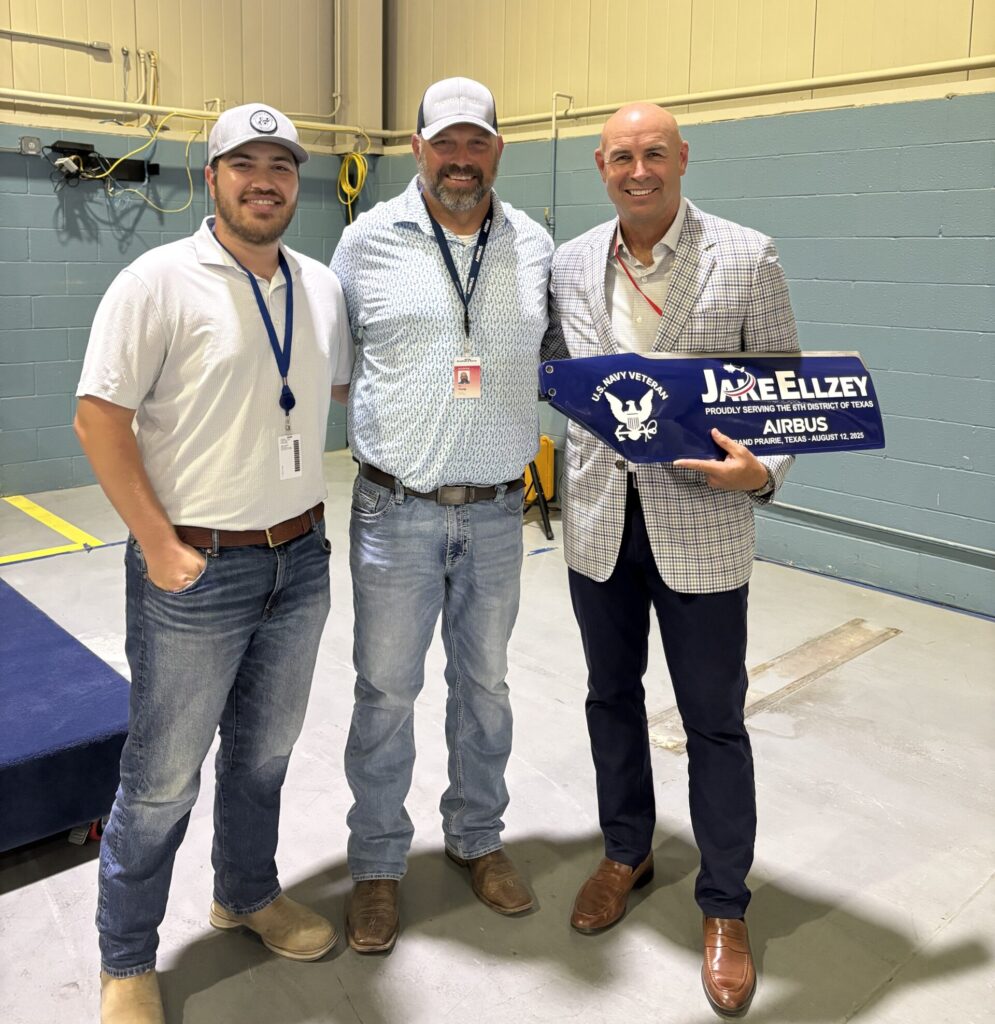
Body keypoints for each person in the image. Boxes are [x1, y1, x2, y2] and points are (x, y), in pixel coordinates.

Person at [74, 103, 353, 1023]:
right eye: (244, 162)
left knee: (264, 757)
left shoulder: (318, 285)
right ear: (212, 180)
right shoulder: (156, 279)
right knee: (160, 777)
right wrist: (159, 544)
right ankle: (126, 959)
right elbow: (98, 419)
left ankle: (245, 893)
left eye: (280, 162)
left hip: (299, 559)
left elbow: (323, 393)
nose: (264, 178)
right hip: (195, 569)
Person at [543, 102, 800, 1017]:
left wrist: (760, 472)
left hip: (703, 528)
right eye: (620, 156)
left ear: (682, 159)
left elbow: (785, 390)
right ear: (601, 167)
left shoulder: (746, 255)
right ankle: (626, 850)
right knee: (608, 698)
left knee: (713, 723)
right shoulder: (569, 261)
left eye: (654, 154)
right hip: (599, 523)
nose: (637, 170)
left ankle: (724, 905)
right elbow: (557, 372)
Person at [329, 76, 554, 954]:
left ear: (497, 149)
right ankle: (378, 865)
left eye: (478, 143)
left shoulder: (532, 244)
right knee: (385, 693)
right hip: (396, 511)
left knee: (486, 689)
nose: (462, 160)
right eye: (445, 143)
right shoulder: (363, 243)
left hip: (498, 514)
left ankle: (476, 840)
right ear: (417, 148)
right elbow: (335, 366)